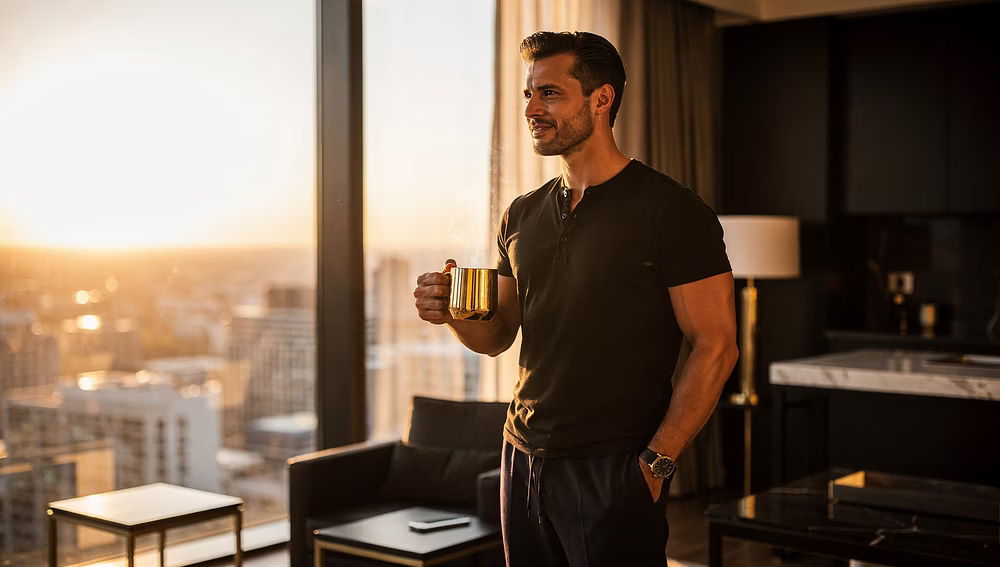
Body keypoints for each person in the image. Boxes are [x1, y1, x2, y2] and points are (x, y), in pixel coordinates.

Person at [413, 30, 738, 566]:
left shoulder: (671, 211)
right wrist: (452, 312)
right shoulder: (521, 213)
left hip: (614, 465)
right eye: (527, 94)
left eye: (549, 94)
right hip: (522, 459)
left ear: (601, 98)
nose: (531, 109)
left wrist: (656, 464)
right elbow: (496, 336)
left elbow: (717, 345)